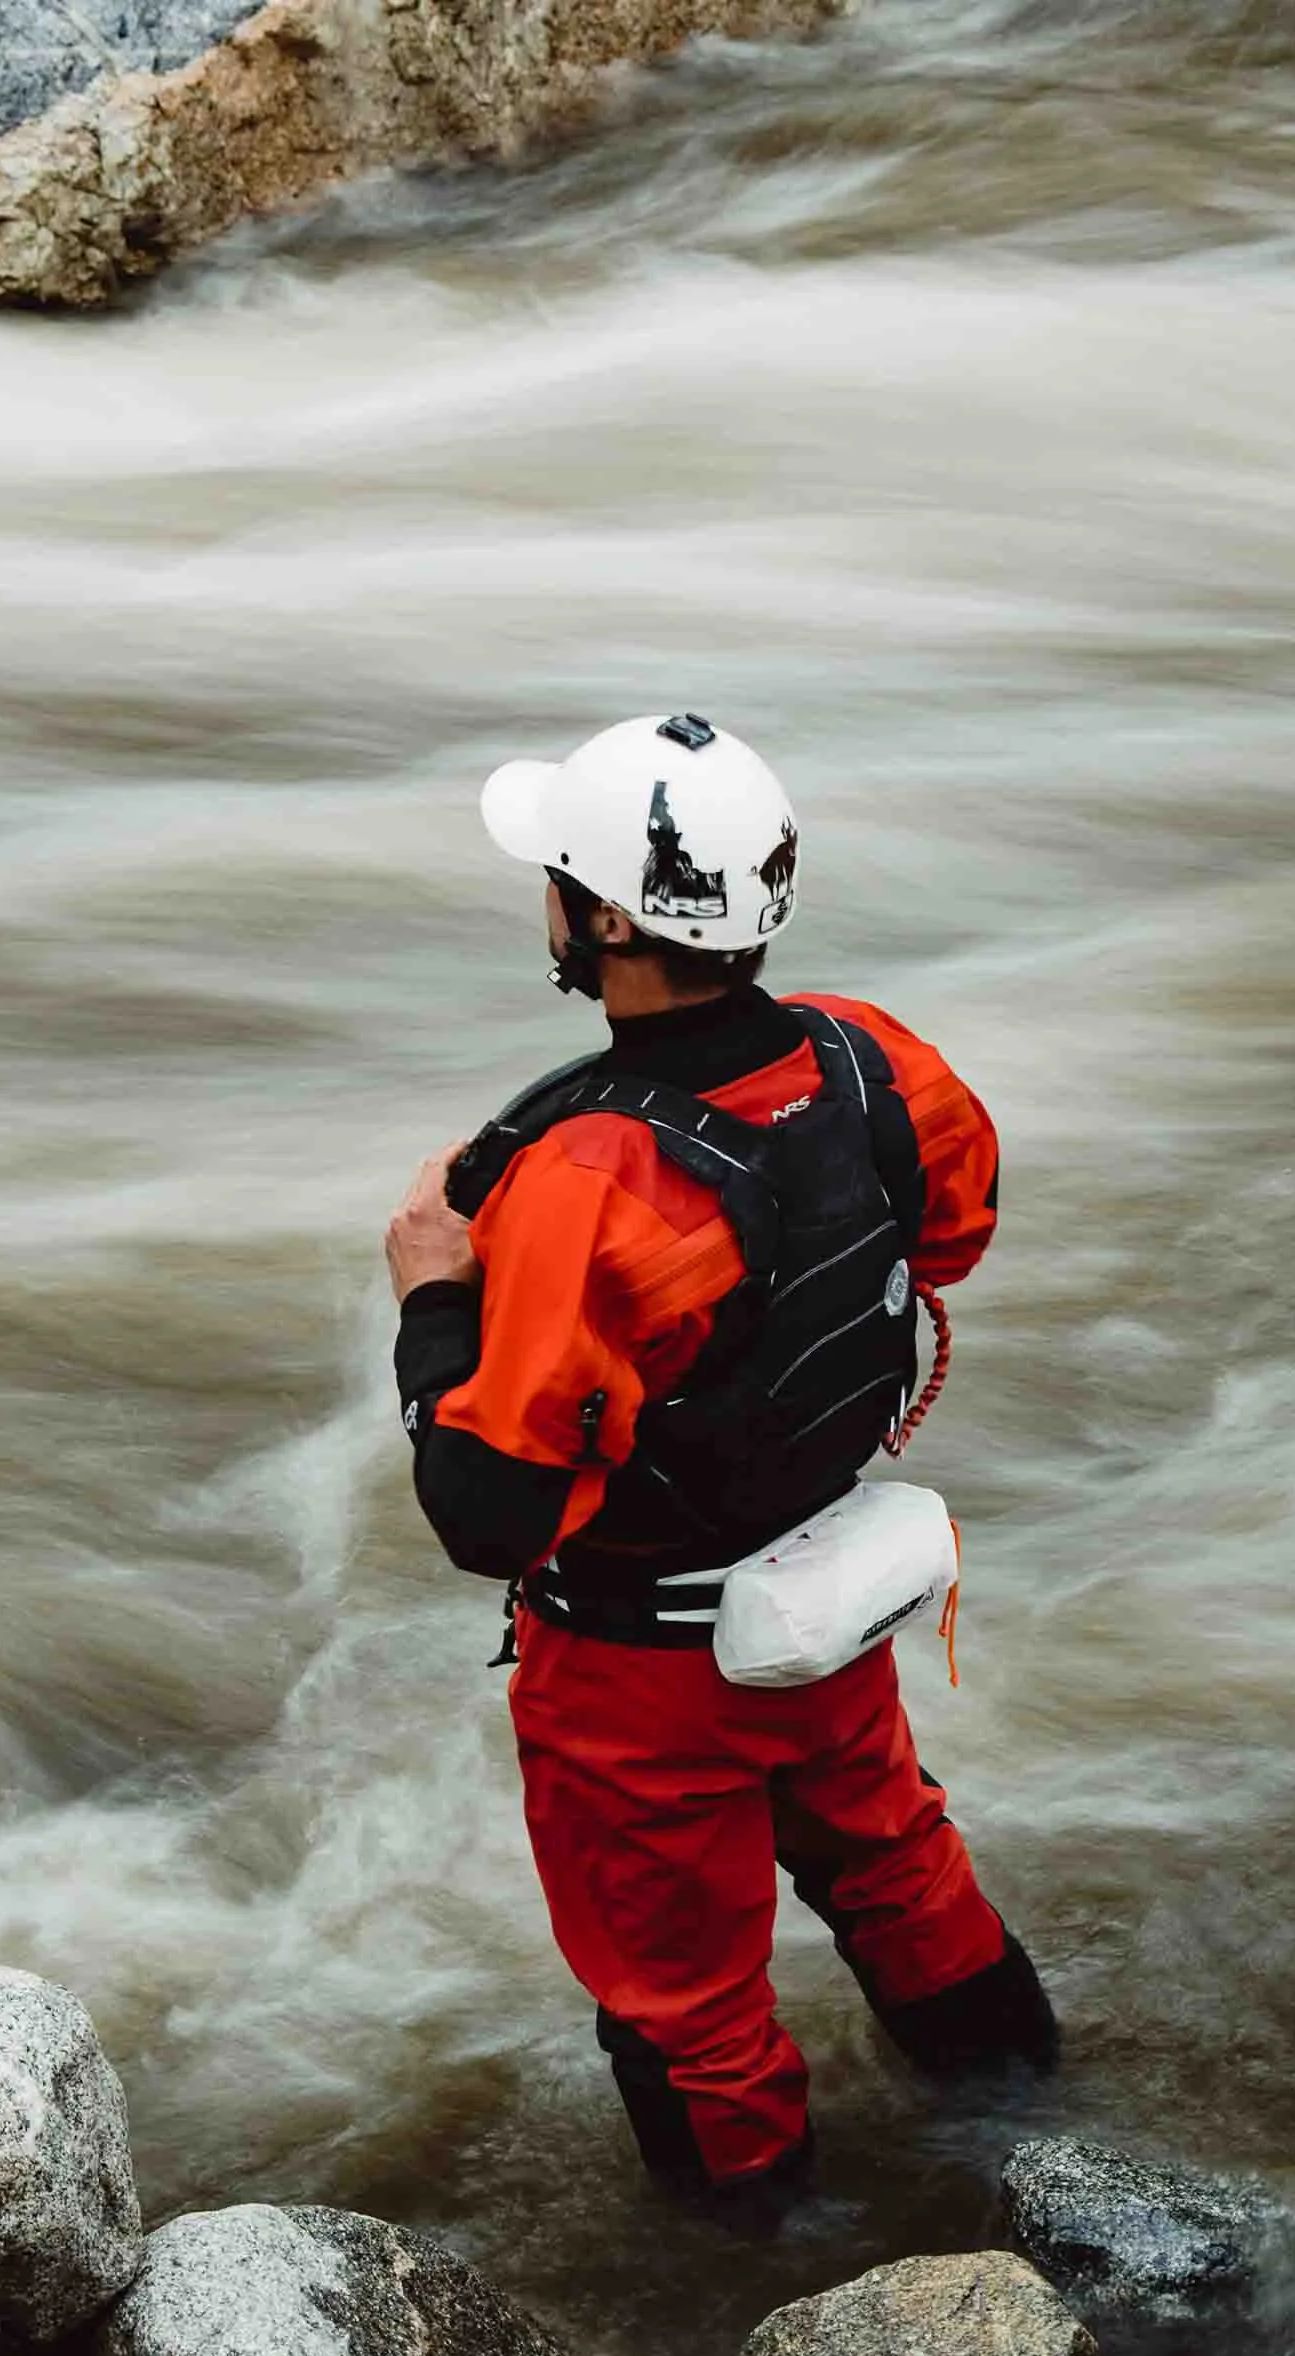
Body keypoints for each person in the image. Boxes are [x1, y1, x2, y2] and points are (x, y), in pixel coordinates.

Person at [383, 711, 1055, 2215]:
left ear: (604, 919)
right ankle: (1034, 2130)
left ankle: (761, 2276)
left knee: (687, 2004)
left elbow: (487, 1515)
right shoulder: (875, 1059)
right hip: (823, 1598)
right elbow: (952, 1237)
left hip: (641, 1679)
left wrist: (434, 1294)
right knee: (895, 1857)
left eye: (556, 871)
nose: (545, 897)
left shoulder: (583, 1177)